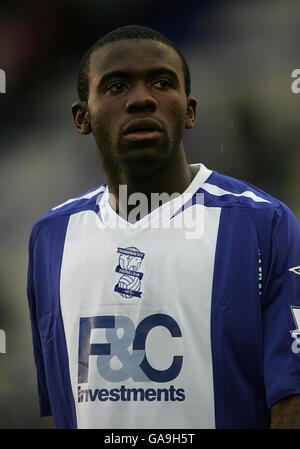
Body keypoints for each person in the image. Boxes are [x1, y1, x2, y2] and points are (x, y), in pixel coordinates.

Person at [27, 25, 300, 429]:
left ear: (189, 111)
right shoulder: (51, 236)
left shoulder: (263, 223)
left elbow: (291, 403)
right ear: (81, 117)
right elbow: (59, 405)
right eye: (116, 86)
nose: (141, 99)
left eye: (161, 82)